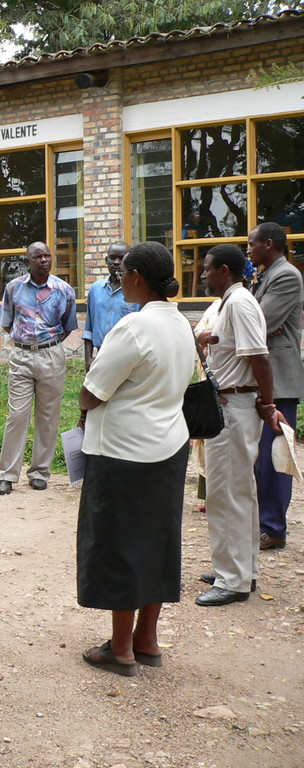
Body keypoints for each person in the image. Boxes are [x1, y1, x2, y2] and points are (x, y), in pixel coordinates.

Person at [76, 241, 196, 676]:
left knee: (119, 544)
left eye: (123, 271)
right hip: (169, 449)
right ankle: (147, 638)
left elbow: (92, 392)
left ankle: (120, 649)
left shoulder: (133, 328)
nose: (119, 277)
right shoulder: (183, 324)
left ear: (137, 278)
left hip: (123, 453)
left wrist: (88, 399)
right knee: (157, 542)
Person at [196, 243, 286, 607]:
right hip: (231, 404)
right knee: (239, 492)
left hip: (235, 406)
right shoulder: (231, 303)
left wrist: (268, 404)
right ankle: (240, 571)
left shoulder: (238, 303)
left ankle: (232, 580)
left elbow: (260, 358)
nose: (203, 274)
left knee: (226, 494)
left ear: (225, 271)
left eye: (207, 269)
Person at [0, 242, 77, 495]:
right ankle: (8, 475)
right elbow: (7, 323)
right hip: (21, 355)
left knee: (48, 417)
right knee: (17, 416)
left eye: (47, 255)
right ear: (27, 261)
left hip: (51, 355)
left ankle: (40, 472)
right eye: (37, 256)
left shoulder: (64, 290)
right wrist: (26, 344)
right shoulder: (13, 288)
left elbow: (68, 326)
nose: (44, 260)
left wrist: (47, 345)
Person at [248, 222, 304, 550]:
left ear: (269, 244)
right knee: (260, 457)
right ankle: (262, 523)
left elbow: (259, 322)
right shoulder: (266, 273)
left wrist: (260, 326)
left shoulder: (286, 275)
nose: (249, 249)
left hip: (280, 381)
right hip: (265, 378)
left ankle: (273, 528)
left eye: (252, 244)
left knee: (274, 458)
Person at [82, 241, 136, 372]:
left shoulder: (135, 291)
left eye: (121, 258)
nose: (116, 262)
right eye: (112, 258)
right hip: (100, 356)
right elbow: (89, 328)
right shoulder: (96, 289)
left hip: (127, 357)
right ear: (106, 260)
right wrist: (88, 358)